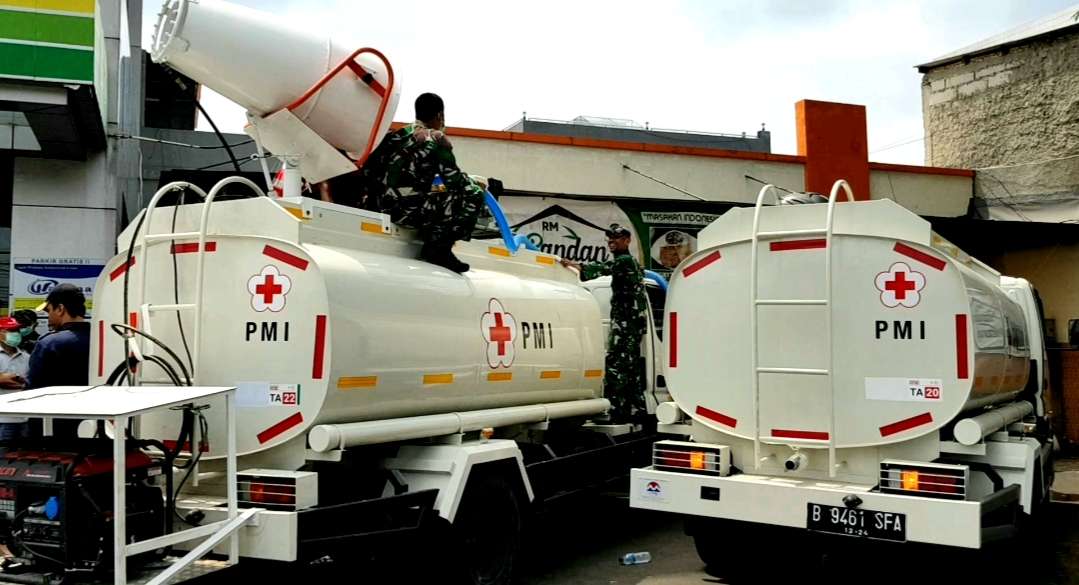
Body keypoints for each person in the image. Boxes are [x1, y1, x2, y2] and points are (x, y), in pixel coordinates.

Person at [359, 92, 485, 273]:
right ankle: (439, 248)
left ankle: (432, 236)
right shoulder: (436, 139)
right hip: (408, 214)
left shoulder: (397, 135)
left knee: (439, 187)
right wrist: (476, 184)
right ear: (440, 115)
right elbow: (454, 180)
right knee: (473, 193)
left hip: (381, 208)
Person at [561, 225, 648, 423]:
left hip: (625, 324)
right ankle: (636, 410)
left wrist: (577, 266)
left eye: (616, 238)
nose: (611, 241)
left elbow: (603, 268)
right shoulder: (632, 263)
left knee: (617, 366)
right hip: (630, 324)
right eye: (609, 238)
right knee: (631, 368)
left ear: (627, 241)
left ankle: (617, 411)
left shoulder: (624, 261)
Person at [26, 284, 91, 438]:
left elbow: (33, 388)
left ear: (60, 309)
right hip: (94, 425)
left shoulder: (50, 343)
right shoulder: (103, 340)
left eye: (49, 310)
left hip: (52, 426)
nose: (48, 316)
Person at [0, 317, 30, 440]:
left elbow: (30, 382)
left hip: (23, 418)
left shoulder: (26, 357)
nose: (15, 334)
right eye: (11, 330)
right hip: (2, 418)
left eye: (17, 330)